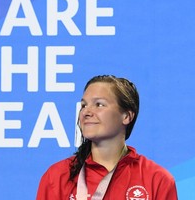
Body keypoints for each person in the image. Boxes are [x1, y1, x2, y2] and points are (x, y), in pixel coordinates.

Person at [36, 75, 178, 200]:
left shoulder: (156, 179)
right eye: (84, 105)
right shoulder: (57, 176)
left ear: (127, 116)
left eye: (99, 104)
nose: (86, 112)